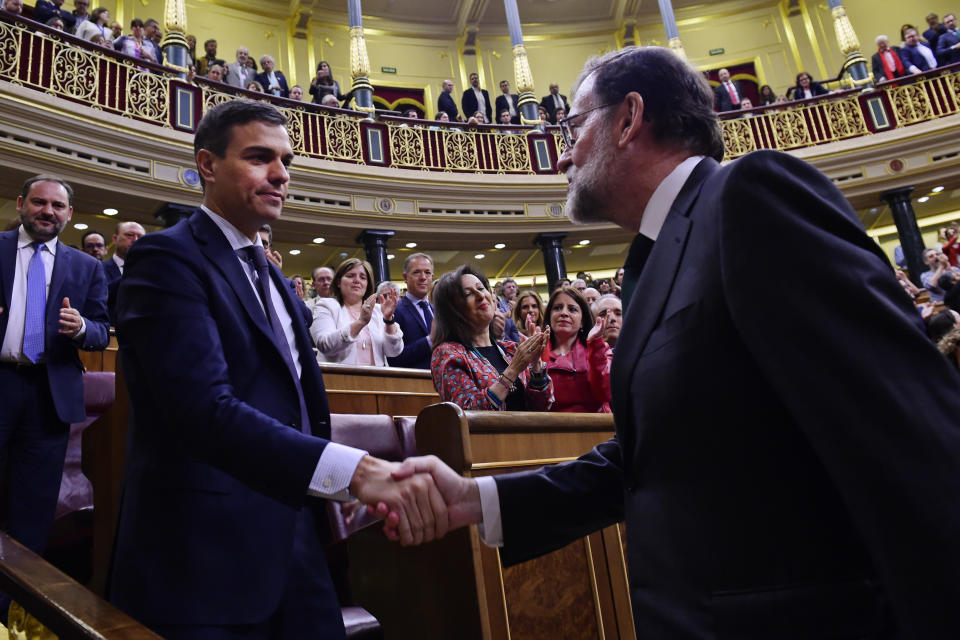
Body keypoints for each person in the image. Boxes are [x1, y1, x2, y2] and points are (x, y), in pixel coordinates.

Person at [390, 45, 960, 639]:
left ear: (629, 118)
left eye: (572, 126)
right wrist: (474, 500)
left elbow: (907, 432)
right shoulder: (656, 257)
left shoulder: (750, 197)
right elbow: (649, 460)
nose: (561, 154)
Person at [109, 99, 447, 638]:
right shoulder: (166, 259)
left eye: (286, 161)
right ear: (207, 164)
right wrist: (358, 473)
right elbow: (202, 410)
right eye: (260, 157)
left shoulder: (272, 281)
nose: (281, 175)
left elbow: (296, 412)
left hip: (295, 545)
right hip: (203, 557)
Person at [0, 175, 109, 614]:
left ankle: (9, 609)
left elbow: (102, 331)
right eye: (40, 203)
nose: (48, 211)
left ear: (68, 214)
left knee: (33, 508)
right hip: (1, 381)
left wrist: (82, 328)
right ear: (22, 204)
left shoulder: (87, 268)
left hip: (50, 395)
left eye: (58, 206)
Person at [429, 265, 551, 411]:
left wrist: (536, 365)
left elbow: (540, 408)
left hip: (526, 433)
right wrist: (513, 370)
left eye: (480, 288)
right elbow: (467, 412)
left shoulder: (510, 349)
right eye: (468, 294)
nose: (481, 296)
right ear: (453, 311)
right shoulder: (447, 353)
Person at [310, 257, 402, 366]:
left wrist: (388, 320)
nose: (357, 280)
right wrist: (360, 322)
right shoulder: (326, 305)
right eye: (350, 276)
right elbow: (324, 345)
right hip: (337, 379)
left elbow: (394, 351)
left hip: (377, 380)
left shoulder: (377, 310)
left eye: (363, 277)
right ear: (339, 282)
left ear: (367, 284)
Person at [540, 286, 610, 413]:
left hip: (595, 429)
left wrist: (596, 346)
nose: (564, 313)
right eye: (557, 308)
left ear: (582, 321)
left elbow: (604, 394)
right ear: (549, 316)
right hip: (547, 429)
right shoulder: (536, 351)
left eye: (572, 309)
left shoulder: (600, 349)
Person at [387, 253, 435, 370]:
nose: (423, 277)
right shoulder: (394, 311)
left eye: (427, 272)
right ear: (405, 277)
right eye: (416, 272)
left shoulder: (440, 311)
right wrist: (430, 341)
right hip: (413, 383)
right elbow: (394, 358)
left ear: (432, 276)